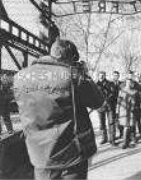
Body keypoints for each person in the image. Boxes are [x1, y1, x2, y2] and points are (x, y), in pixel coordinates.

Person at [13, 39, 103, 179]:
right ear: (71, 57)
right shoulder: (73, 75)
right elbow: (98, 102)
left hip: (40, 153)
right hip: (71, 153)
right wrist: (83, 74)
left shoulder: (20, 76)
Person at [116, 75, 140, 149]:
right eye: (127, 82)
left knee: (131, 126)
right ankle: (125, 142)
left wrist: (135, 107)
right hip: (123, 111)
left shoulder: (135, 91)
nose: (129, 83)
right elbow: (118, 102)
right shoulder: (121, 91)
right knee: (126, 126)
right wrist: (117, 110)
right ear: (125, 82)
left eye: (130, 82)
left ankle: (131, 140)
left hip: (132, 111)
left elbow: (138, 102)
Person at [96, 71, 117, 145]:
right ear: (98, 76)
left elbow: (113, 93)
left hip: (109, 106)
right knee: (102, 123)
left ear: (105, 76)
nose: (101, 77)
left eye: (103, 75)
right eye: (100, 75)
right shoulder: (95, 85)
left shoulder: (110, 83)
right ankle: (104, 138)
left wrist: (107, 99)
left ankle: (112, 139)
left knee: (111, 123)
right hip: (100, 107)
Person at [109, 71, 123, 139]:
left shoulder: (121, 83)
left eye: (117, 75)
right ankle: (112, 137)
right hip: (112, 105)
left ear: (119, 76)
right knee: (112, 121)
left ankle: (122, 134)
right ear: (112, 76)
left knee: (120, 120)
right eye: (114, 75)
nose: (116, 77)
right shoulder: (110, 84)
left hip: (121, 105)